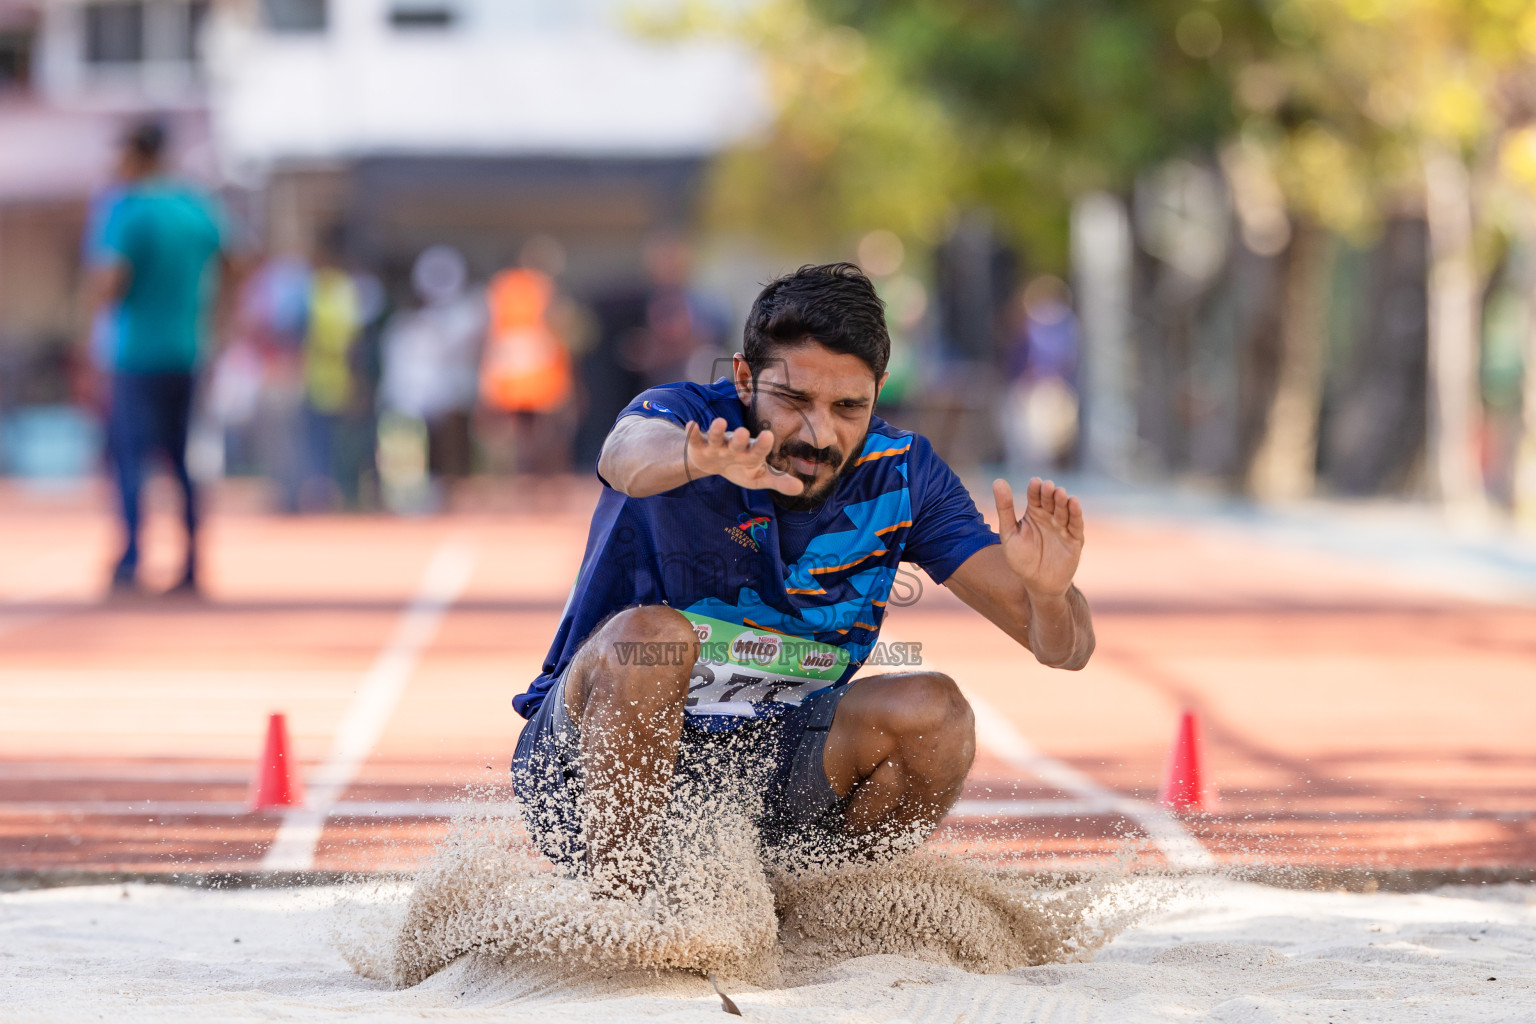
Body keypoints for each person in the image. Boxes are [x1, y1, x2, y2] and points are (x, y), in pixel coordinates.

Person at [510, 262, 1095, 898]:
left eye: (849, 407)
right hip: (585, 766)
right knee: (652, 639)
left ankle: (818, 910)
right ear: (744, 378)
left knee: (936, 712)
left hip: (772, 768)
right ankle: (620, 913)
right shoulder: (688, 419)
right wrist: (692, 458)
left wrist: (1047, 595)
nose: (819, 434)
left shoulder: (904, 474)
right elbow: (624, 455)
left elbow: (1064, 649)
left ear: (879, 392)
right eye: (793, 401)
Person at [86, 120, 229, 594]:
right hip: (188, 349)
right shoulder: (194, 206)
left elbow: (110, 281)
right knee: (182, 459)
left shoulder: (126, 208)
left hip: (135, 353)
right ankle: (191, 563)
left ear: (137, 155)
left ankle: (132, 560)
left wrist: (95, 303)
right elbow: (234, 260)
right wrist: (216, 315)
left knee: (131, 459)